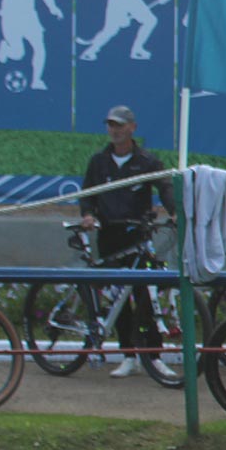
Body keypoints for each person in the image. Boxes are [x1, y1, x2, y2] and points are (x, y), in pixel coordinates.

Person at [78, 105, 176, 379]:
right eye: (111, 125)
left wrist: (174, 212)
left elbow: (165, 187)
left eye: (120, 125)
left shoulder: (147, 162)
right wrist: (87, 214)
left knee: (145, 298)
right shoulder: (99, 162)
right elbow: (87, 193)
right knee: (117, 299)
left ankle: (154, 356)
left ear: (132, 127)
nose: (115, 130)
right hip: (109, 237)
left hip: (138, 238)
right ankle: (128, 356)